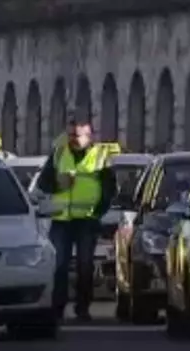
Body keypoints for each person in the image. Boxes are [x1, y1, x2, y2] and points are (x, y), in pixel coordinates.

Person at [34, 119, 117, 322]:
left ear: (89, 137)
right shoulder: (59, 153)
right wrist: (57, 183)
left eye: (77, 135)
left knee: (85, 266)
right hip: (61, 220)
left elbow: (110, 188)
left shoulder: (100, 156)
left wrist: (99, 211)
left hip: (87, 221)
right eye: (70, 134)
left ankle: (83, 308)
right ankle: (58, 308)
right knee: (59, 266)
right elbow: (43, 183)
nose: (72, 139)